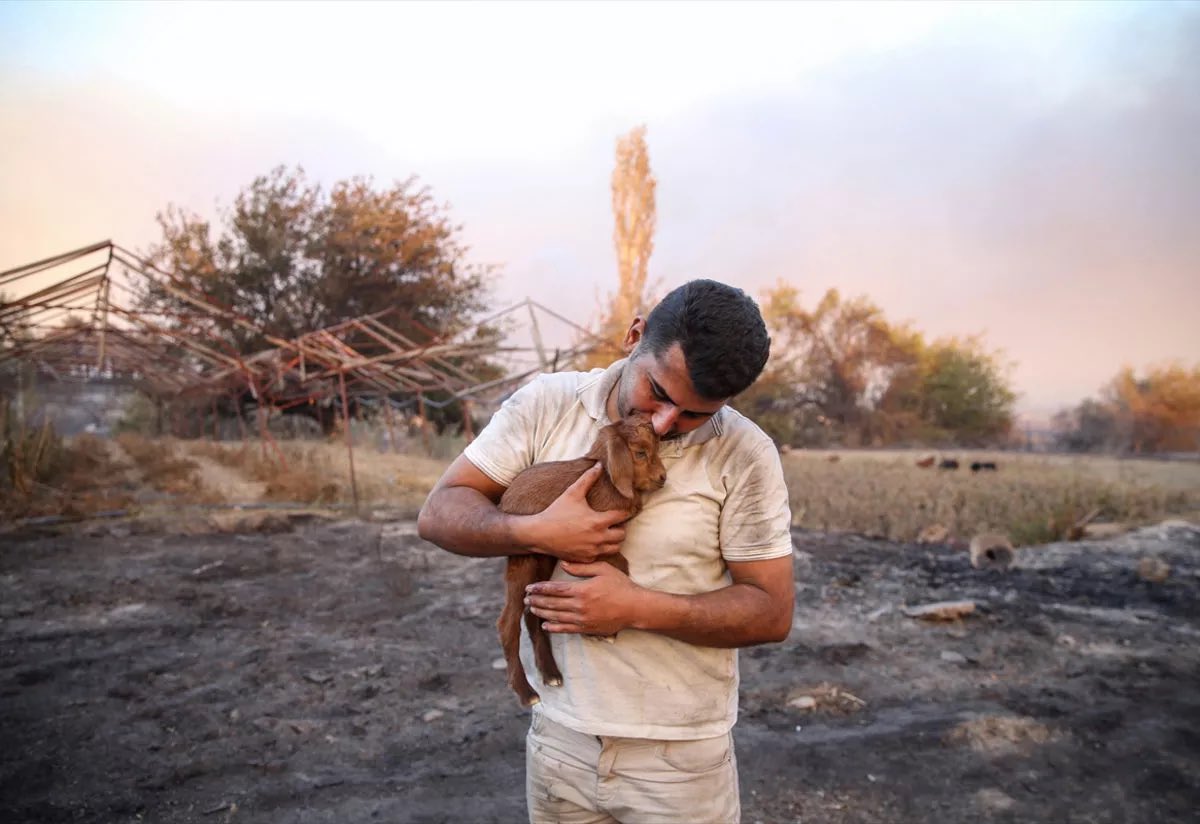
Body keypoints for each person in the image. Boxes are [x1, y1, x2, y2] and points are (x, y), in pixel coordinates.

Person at [417, 279, 794, 824]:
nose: (666, 425)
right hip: (560, 741)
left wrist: (635, 607)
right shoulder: (547, 403)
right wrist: (536, 532)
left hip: (679, 762)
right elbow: (439, 513)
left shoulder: (747, 453)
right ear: (634, 336)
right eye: (659, 393)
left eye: (694, 414)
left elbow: (772, 611)